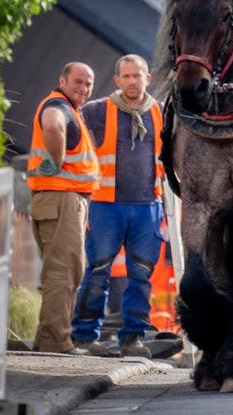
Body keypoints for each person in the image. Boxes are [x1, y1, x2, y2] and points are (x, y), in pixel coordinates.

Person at [71, 55, 166, 358]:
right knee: (98, 271)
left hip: (147, 206)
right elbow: (71, 131)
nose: (132, 82)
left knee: (141, 275)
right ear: (117, 80)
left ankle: (133, 338)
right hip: (105, 205)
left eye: (137, 76)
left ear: (147, 79)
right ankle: (84, 337)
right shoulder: (97, 111)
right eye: (126, 76)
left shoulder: (160, 113)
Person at [26, 62, 100, 355]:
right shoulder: (58, 105)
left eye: (88, 84)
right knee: (63, 271)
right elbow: (54, 124)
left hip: (64, 200)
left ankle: (48, 338)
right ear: (62, 80)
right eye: (78, 82)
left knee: (67, 270)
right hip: (61, 199)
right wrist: (54, 162)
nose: (83, 89)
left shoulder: (70, 108)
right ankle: (56, 342)